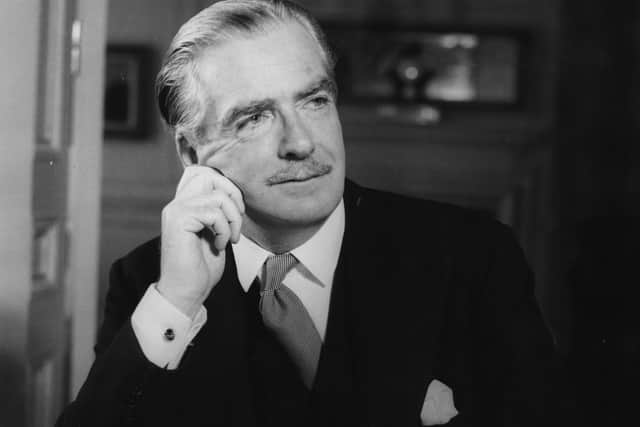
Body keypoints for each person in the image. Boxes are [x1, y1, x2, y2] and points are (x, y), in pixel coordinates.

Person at [57, 1, 567, 426]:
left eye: (315, 101)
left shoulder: (472, 256)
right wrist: (178, 300)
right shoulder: (151, 281)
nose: (301, 143)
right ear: (192, 154)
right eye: (255, 118)